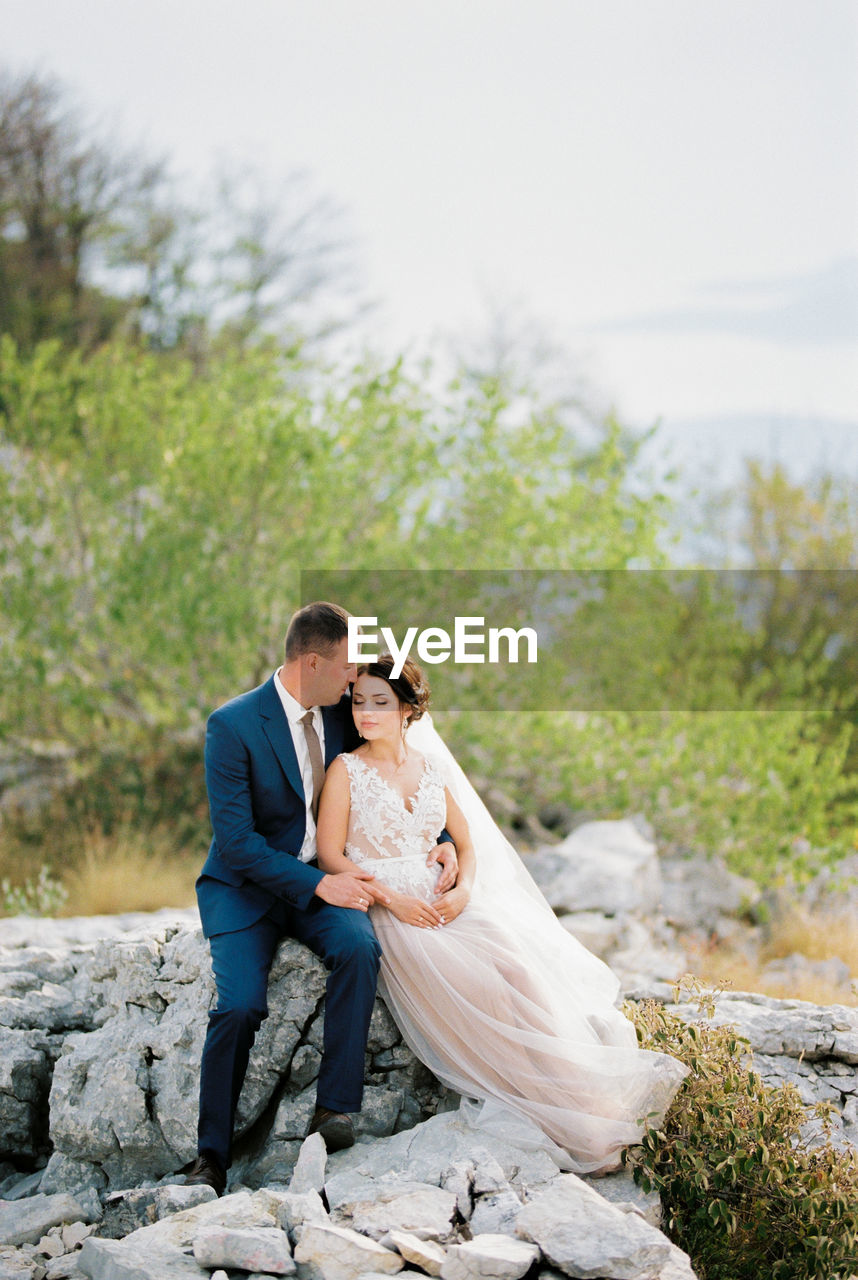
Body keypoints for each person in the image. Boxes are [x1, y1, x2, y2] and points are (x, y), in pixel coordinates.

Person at [316, 654, 689, 1175]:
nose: (365, 713)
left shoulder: (430, 769)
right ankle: (549, 1111)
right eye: (358, 702)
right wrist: (390, 898)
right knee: (477, 983)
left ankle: (582, 1100)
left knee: (516, 966)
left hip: (444, 902)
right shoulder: (346, 769)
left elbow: (466, 846)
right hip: (392, 909)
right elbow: (332, 854)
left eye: (379, 702)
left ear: (407, 708)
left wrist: (465, 891)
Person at [185, 603, 458, 1195]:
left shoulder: (339, 711)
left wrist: (441, 842)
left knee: (359, 949)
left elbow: (392, 774)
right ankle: (211, 1156)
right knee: (239, 1007)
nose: (355, 681)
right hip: (248, 891)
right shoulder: (231, 726)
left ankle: (335, 1110)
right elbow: (236, 845)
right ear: (312, 662)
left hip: (324, 883)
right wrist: (318, 884)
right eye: (347, 668)